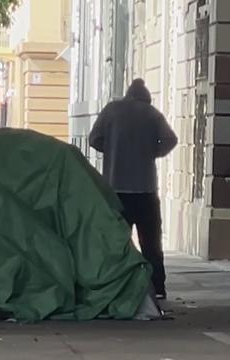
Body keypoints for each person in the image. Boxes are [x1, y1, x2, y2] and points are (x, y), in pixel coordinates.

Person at [89, 78, 178, 300]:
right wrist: (152, 152)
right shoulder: (151, 114)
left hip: (115, 188)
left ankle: (114, 287)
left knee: (116, 242)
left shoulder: (111, 111)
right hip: (145, 189)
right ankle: (157, 288)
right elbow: (170, 139)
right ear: (145, 97)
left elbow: (94, 139)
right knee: (151, 243)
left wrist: (111, 149)